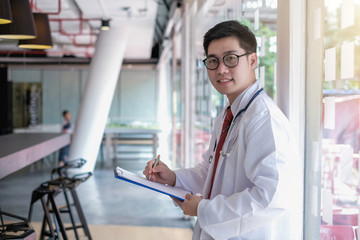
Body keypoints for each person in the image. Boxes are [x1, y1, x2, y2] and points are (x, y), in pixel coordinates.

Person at [143, 20, 299, 239]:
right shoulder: (230, 115)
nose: (221, 69)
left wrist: (203, 210)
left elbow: (272, 198)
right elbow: (210, 171)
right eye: (213, 61)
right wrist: (173, 179)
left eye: (231, 59)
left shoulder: (263, 119)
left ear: (252, 60)